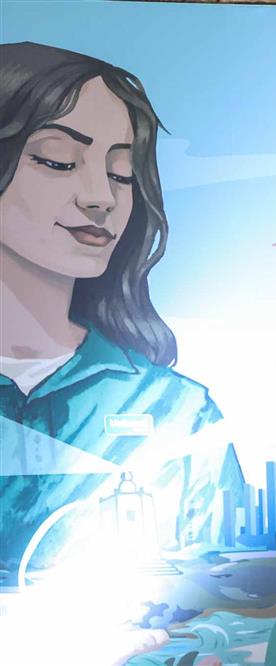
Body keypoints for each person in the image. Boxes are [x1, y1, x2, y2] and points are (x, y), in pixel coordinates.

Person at [0, 42, 223, 574]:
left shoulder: (179, 410)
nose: (100, 196)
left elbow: (218, 600)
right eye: (58, 161)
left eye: (121, 173)